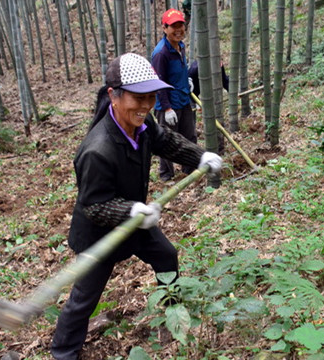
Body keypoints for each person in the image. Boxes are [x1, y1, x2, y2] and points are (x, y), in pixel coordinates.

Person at [50, 53, 222, 360]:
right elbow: (93, 206)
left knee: (166, 256)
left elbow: (167, 142)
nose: (145, 106)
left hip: (135, 223)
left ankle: (171, 321)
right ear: (114, 96)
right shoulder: (96, 150)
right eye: (137, 98)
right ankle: (63, 353)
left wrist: (200, 156)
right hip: (100, 234)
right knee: (84, 300)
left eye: (151, 97)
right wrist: (131, 211)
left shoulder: (143, 125)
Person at [151, 8, 196, 182]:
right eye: (173, 26)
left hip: (183, 99)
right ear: (164, 28)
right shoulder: (161, 53)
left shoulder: (181, 46)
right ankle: (166, 176)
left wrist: (187, 81)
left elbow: (179, 72)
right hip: (167, 105)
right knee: (167, 142)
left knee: (190, 136)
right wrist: (167, 108)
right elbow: (158, 82)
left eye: (180, 25)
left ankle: (190, 169)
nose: (178, 30)